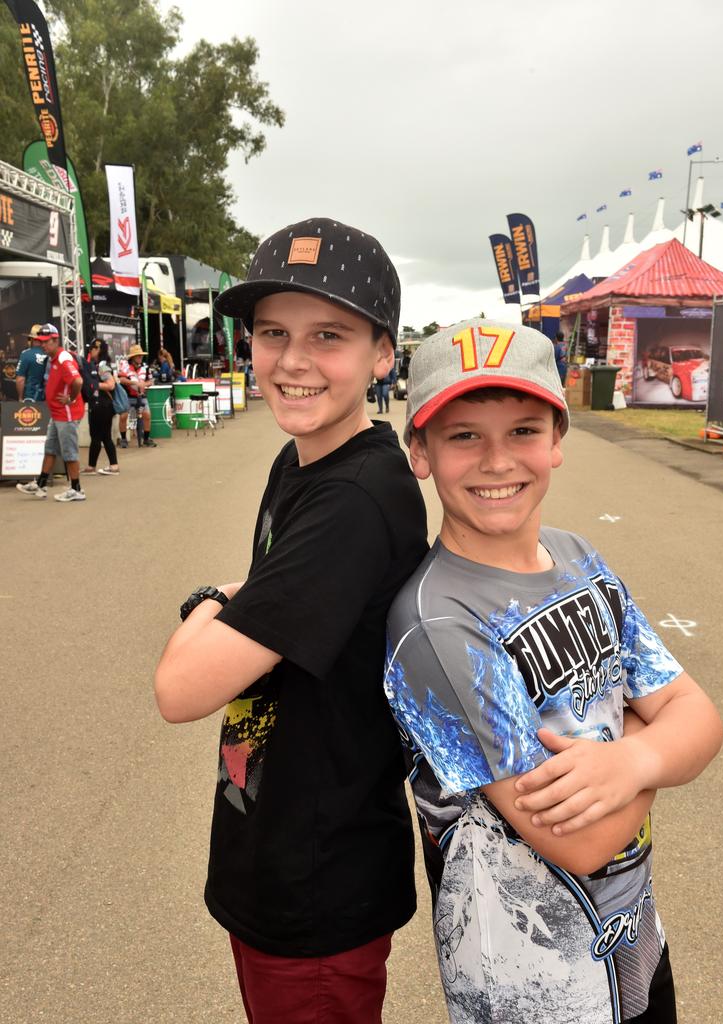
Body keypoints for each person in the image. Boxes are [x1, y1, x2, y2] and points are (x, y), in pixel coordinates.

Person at [385, 318, 723, 1024]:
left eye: (523, 430)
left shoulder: (578, 557)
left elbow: (704, 719)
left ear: (557, 441)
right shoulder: (437, 626)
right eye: (463, 434)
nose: (497, 460)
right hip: (530, 993)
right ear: (419, 451)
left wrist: (629, 761)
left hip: (635, 946)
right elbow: (583, 841)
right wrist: (654, 743)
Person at [154, 217, 429, 1024]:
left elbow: (180, 687)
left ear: (383, 353)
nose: (294, 361)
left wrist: (209, 603)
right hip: (276, 845)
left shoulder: (355, 497)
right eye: (273, 332)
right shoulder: (304, 461)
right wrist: (241, 603)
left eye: (329, 336)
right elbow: (271, 592)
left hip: (317, 879)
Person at [16, 324, 87, 502]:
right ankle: (40, 484)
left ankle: (76, 489)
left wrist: (71, 398)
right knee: (50, 448)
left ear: (56, 340)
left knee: (69, 452)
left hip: (66, 413)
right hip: (58, 413)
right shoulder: (54, 358)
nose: (42, 345)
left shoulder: (63, 359)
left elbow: (78, 381)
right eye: (40, 342)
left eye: (46, 342)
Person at [81, 340, 119, 476]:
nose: (90, 350)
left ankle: (113, 466)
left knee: (103, 437)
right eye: (90, 347)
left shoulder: (102, 366)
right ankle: (93, 466)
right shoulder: (95, 365)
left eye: (93, 348)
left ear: (99, 349)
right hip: (98, 405)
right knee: (97, 436)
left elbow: (111, 385)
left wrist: (94, 385)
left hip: (103, 405)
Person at [117, 343, 157, 447]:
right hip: (127, 397)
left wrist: (145, 384)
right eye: (138, 355)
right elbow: (121, 379)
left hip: (141, 396)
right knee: (123, 416)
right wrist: (134, 383)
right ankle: (123, 439)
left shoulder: (145, 367)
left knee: (147, 415)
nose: (140, 357)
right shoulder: (125, 366)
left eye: (141, 355)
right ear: (133, 357)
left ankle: (146, 439)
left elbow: (151, 381)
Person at [15, 324, 48, 401]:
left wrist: (20, 398)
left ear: (32, 339)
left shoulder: (26, 354)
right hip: (48, 397)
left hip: (31, 397)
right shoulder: (50, 354)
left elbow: (20, 380)